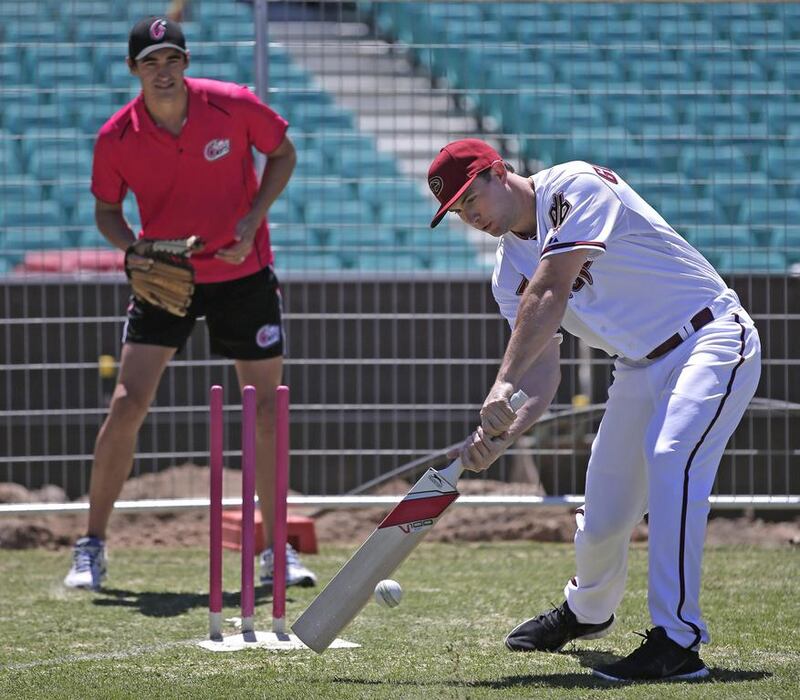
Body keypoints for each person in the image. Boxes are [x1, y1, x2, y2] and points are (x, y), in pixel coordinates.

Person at [429, 139, 761, 682]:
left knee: (672, 458)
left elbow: (553, 287)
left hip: (711, 337)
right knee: (604, 518)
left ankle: (677, 641)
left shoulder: (572, 186)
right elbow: (541, 373)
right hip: (636, 367)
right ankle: (587, 612)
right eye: (459, 211)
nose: (472, 217)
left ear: (498, 170)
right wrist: (504, 428)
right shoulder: (506, 273)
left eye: (472, 198)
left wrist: (500, 383)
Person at [64, 16, 316, 591]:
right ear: (134, 71)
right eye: (150, 62)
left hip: (243, 272)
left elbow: (283, 153)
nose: (163, 71)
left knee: (266, 410)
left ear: (186, 61)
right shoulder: (114, 138)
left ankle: (276, 553)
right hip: (165, 280)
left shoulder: (233, 104)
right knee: (127, 404)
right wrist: (133, 253)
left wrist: (255, 219)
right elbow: (107, 210)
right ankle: (91, 546)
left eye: (172, 58)